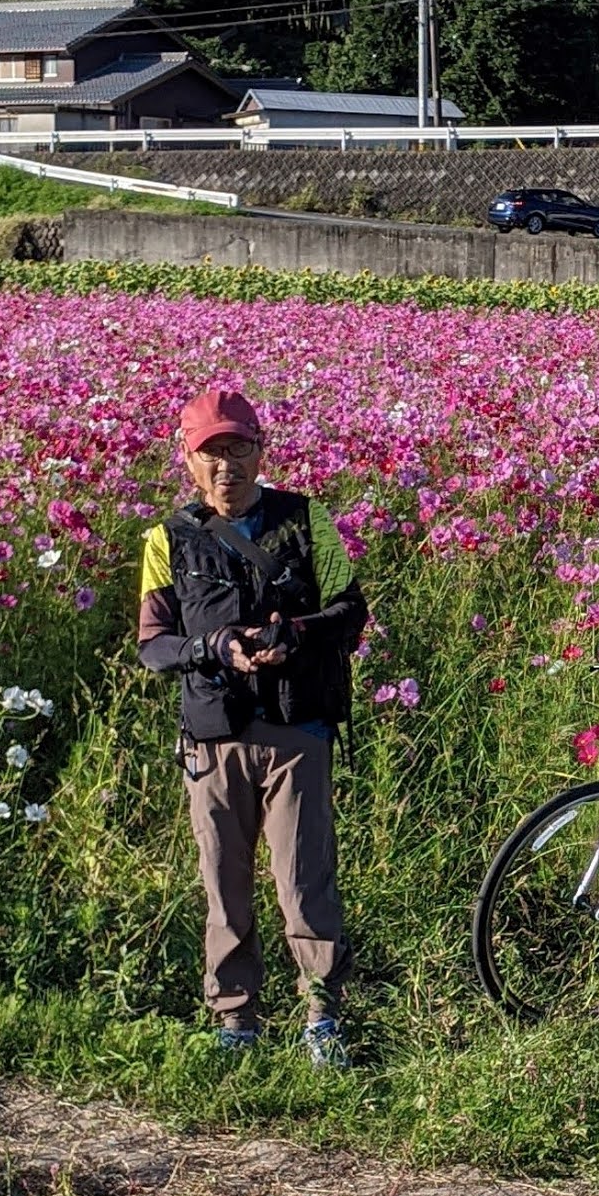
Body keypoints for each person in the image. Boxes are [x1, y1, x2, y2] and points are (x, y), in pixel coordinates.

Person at [137, 388, 367, 1066]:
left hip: (297, 731)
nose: (226, 465)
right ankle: (235, 1019)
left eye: (238, 448)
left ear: (261, 451)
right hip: (214, 736)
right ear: (188, 461)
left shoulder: (306, 520)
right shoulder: (167, 539)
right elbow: (153, 645)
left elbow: (350, 611)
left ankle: (322, 1017)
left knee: (305, 880)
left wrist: (295, 633)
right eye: (210, 452)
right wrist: (212, 647)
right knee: (224, 885)